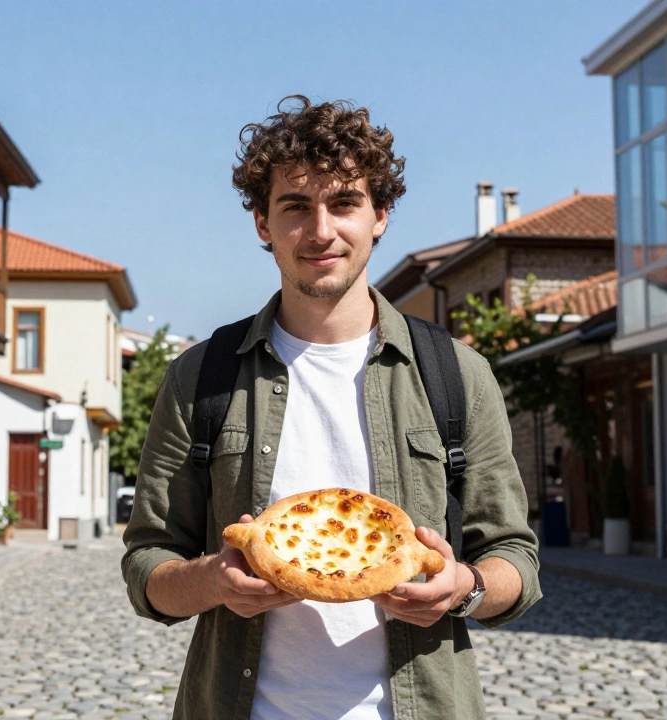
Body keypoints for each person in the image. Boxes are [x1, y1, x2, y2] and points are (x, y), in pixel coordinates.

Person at [121, 95, 541, 720]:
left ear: (380, 215)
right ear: (262, 223)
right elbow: (148, 568)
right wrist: (215, 581)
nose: (321, 231)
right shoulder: (199, 377)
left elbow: (515, 561)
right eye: (295, 207)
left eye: (344, 202)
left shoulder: (457, 375)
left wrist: (466, 589)